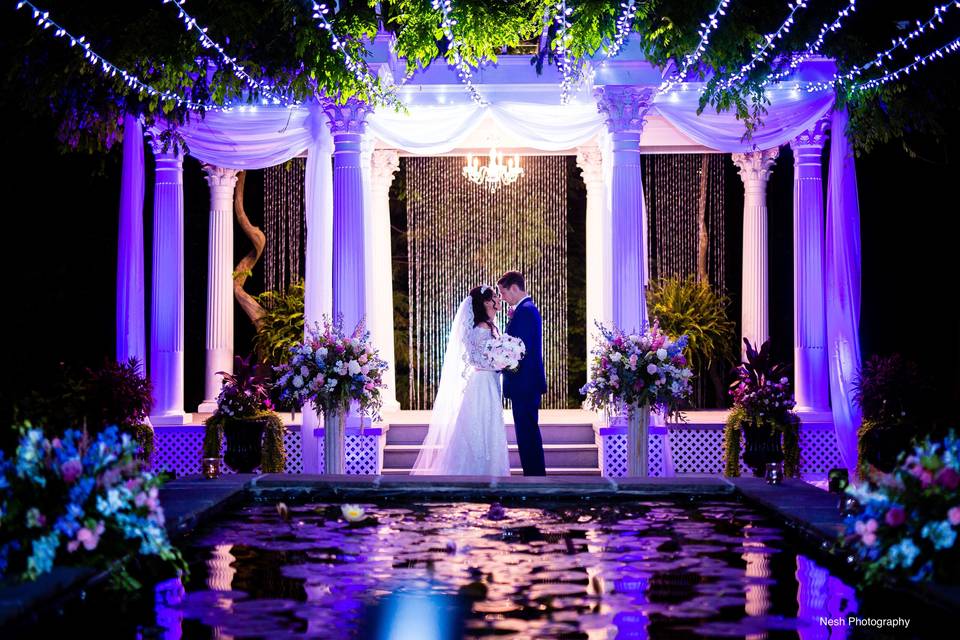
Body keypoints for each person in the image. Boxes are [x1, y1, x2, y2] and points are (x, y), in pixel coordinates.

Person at [410, 285, 511, 476]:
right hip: (483, 382)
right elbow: (479, 358)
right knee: (482, 423)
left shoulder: (484, 325)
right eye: (495, 296)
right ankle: (483, 470)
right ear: (487, 302)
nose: (499, 299)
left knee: (482, 422)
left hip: (484, 380)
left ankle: (482, 469)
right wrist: (503, 362)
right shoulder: (482, 328)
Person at [497, 271, 547, 476]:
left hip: (525, 384)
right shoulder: (526, 309)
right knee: (527, 432)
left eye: (503, 292)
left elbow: (520, 350)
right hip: (525, 384)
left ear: (515, 288)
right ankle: (534, 475)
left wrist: (501, 362)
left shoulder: (525, 311)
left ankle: (534, 477)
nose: (502, 298)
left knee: (527, 433)